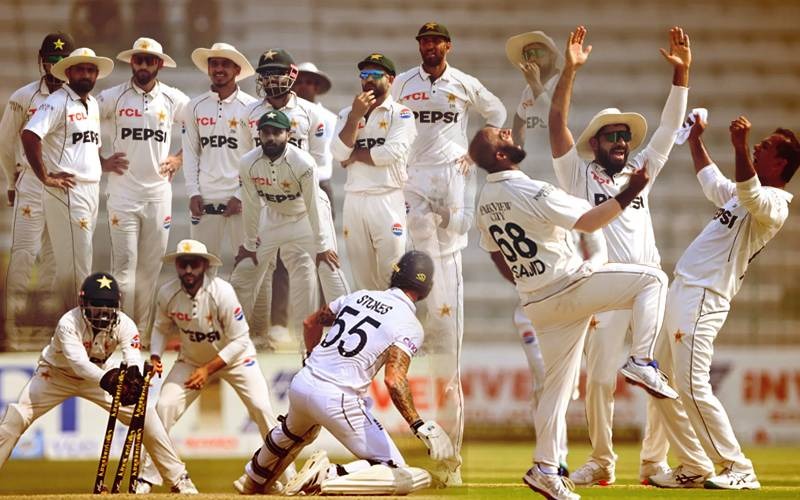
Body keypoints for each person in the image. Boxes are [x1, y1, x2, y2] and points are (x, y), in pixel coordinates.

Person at [470, 126, 678, 500]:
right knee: (654, 280)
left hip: (537, 303)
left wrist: (522, 282)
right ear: (500, 155)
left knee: (556, 388)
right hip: (567, 287)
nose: (507, 132)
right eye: (500, 135)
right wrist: (632, 189)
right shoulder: (531, 188)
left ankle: (546, 468)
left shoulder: (484, 199)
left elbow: (494, 249)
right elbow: (591, 221)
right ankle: (642, 360)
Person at [548, 26, 691, 486]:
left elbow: (669, 129)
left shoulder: (640, 171)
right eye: (611, 136)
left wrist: (682, 77)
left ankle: (653, 465)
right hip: (608, 286)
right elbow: (555, 126)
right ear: (595, 143)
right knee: (602, 381)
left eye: (624, 136)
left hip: (650, 287)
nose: (621, 143)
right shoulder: (577, 173)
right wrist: (569, 71)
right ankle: (603, 462)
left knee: (658, 382)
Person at [647, 116, 799, 490]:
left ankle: (737, 466)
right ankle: (693, 465)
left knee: (692, 384)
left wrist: (737, 145)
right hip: (684, 288)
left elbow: (750, 194)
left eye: (764, 146)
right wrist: (696, 140)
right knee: (662, 381)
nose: (757, 147)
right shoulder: (742, 194)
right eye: (755, 144)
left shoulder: (775, 204)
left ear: (780, 163)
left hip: (704, 295)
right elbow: (712, 180)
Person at [233, 250, 454, 496]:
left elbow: (310, 322)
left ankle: (252, 479)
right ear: (426, 288)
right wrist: (418, 424)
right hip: (338, 397)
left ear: (395, 275)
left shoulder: (360, 296)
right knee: (395, 470)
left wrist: (310, 357)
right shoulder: (410, 325)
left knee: (291, 433)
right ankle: (326, 475)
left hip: (303, 381)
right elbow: (393, 380)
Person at [391, 22, 507, 482]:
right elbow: (382, 117)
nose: (430, 47)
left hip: (453, 177)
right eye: (423, 41)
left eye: (437, 41)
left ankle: (451, 463)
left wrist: (476, 154)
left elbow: (496, 111)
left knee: (449, 364)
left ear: (447, 47)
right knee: (412, 244)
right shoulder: (403, 83)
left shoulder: (463, 83)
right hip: (414, 176)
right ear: (419, 47)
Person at [0, 273, 198, 493]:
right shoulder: (68, 323)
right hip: (56, 375)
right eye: (96, 306)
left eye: (108, 307)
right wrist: (111, 381)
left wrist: (133, 376)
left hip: (101, 372)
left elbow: (131, 357)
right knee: (16, 417)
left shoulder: (126, 324)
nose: (102, 313)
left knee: (144, 415)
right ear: (83, 304)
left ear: (117, 306)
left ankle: (179, 480)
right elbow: (79, 364)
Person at [134, 239, 290, 493]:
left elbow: (241, 339)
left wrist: (208, 370)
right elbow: (161, 328)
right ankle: (147, 478)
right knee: (164, 407)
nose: (188, 271)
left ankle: (285, 477)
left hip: (237, 360)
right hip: (192, 360)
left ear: (204, 265)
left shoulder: (222, 292)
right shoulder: (167, 293)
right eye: (183, 264)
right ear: (177, 265)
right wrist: (154, 356)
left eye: (193, 264)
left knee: (262, 408)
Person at [241, 48, 337, 344]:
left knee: (322, 262)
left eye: (277, 74)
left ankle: (329, 327)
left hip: (309, 193)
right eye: (266, 75)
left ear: (290, 75)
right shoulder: (250, 114)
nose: (271, 81)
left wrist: (295, 184)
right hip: (270, 198)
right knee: (269, 262)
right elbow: (249, 157)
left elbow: (320, 164)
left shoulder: (317, 115)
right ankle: (271, 328)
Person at [231, 110, 349, 348]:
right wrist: (250, 243)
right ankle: (235, 338)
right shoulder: (248, 163)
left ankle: (346, 336)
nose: (271, 138)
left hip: (307, 216)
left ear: (288, 134)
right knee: (245, 271)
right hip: (274, 215)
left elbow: (314, 204)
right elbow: (252, 205)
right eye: (266, 133)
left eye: (277, 132)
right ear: (259, 135)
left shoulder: (303, 162)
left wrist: (322, 246)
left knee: (329, 267)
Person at [97, 37, 190, 334]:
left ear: (159, 65)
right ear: (131, 63)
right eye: (139, 60)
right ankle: (120, 334)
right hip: (122, 193)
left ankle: (142, 336)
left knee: (149, 270)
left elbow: (202, 129)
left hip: (157, 194)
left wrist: (178, 158)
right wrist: (100, 162)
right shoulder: (113, 97)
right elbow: (79, 125)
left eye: (150, 61)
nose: (144, 66)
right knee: (124, 270)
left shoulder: (174, 98)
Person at [21, 47, 113, 310]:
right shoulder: (56, 101)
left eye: (91, 70)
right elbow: (29, 135)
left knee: (80, 258)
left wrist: (103, 163)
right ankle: (75, 325)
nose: (86, 74)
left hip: (90, 189)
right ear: (69, 72)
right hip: (66, 190)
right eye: (80, 69)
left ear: (96, 75)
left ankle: (70, 323)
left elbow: (87, 144)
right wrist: (45, 176)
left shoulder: (93, 104)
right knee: (76, 261)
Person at [0, 32, 74, 323]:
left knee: (54, 255)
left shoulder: (80, 98)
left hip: (64, 185)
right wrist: (10, 181)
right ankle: (11, 319)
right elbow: (5, 143)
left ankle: (45, 318)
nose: (55, 67)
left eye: (62, 61)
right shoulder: (24, 97)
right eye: (51, 61)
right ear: (41, 61)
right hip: (31, 181)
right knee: (24, 252)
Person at [332, 53, 416, 290]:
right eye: (364, 75)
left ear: (390, 79)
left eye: (375, 75)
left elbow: (390, 153)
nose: (368, 80)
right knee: (361, 276)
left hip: (387, 198)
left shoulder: (402, 114)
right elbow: (339, 154)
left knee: (392, 272)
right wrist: (355, 117)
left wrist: (357, 154)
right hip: (355, 199)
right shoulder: (347, 113)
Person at [182, 42, 256, 265]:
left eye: (225, 64)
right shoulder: (194, 106)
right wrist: (193, 192)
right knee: (201, 267)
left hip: (241, 199)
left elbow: (257, 156)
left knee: (247, 268)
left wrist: (241, 195)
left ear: (237, 70)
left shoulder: (251, 107)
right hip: (205, 197)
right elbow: (190, 152)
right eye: (214, 64)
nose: (219, 69)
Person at [506, 30, 564, 178]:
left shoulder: (565, 84)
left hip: (556, 172)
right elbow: (519, 121)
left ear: (552, 56)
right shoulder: (528, 89)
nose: (532, 58)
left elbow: (555, 119)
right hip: (531, 170)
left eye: (537, 53)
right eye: (527, 55)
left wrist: (535, 84)